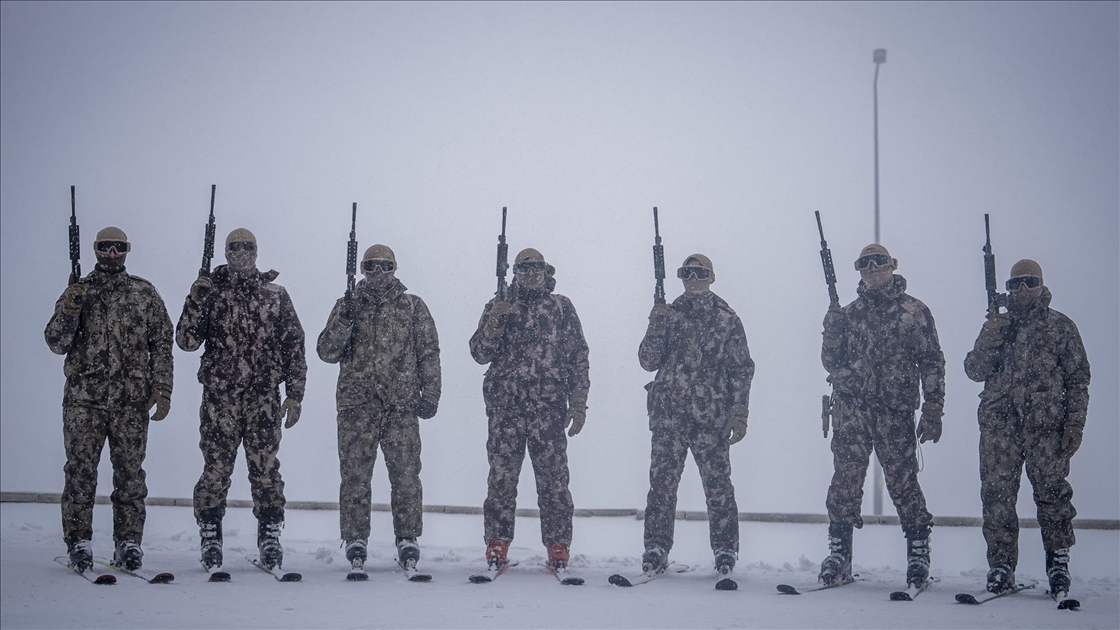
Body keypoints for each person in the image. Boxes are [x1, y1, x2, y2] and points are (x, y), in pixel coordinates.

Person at [176, 228, 307, 570]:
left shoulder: (275, 295)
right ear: (225, 251)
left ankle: (270, 535)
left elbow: (294, 346)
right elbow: (186, 342)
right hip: (220, 399)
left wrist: (295, 395)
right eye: (234, 248)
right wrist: (196, 299)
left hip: (263, 398)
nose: (241, 253)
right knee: (216, 470)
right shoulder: (211, 292)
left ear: (257, 251)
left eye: (247, 247)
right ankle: (210, 535)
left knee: (265, 471)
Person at [45, 227, 174, 572]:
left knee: (130, 476)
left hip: (131, 403)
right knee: (80, 474)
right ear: (96, 250)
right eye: (106, 247)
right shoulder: (78, 292)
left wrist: (163, 388)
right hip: (83, 402)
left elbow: (162, 342)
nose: (112, 253)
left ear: (127, 250)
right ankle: (79, 542)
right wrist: (70, 309)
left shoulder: (144, 294)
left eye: (119, 247)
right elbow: (56, 342)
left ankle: (128, 543)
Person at [818, 243, 945, 589]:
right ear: (859, 270)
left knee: (904, 483)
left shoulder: (914, 311)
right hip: (853, 410)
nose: (873, 268)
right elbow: (831, 362)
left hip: (895, 410)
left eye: (879, 262)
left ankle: (918, 554)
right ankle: (839, 554)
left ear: (892, 265)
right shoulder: (847, 314)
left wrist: (934, 408)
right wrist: (830, 332)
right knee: (844, 483)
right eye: (865, 263)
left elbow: (932, 361)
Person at [963, 259, 1090, 595]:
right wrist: (990, 338)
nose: (1022, 289)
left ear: (1041, 285)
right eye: (1015, 283)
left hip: (1046, 429)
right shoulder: (996, 326)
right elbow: (973, 370)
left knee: (1052, 496)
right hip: (999, 428)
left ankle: (1058, 563)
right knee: (997, 499)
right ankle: (1001, 567)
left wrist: (1075, 422)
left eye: (1029, 282)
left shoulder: (1061, 327)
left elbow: (1078, 378)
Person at [317, 244, 441, 573]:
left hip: (401, 407)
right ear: (361, 269)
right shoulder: (347, 306)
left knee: (406, 477)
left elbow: (429, 352)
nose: (378, 274)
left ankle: (407, 537)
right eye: (371, 267)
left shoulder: (413, 307)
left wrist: (431, 393)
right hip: (357, 407)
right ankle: (355, 538)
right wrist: (345, 319)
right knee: (355, 477)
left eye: (385, 266)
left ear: (395, 268)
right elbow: (326, 352)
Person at [469, 248, 590, 571]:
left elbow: (578, 356)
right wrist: (496, 320)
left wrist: (578, 402)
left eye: (536, 268)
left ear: (545, 271)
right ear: (515, 272)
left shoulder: (560, 307)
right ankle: (497, 544)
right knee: (501, 481)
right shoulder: (499, 305)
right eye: (524, 268)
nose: (530, 273)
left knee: (554, 482)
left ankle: (557, 546)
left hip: (548, 410)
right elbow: (479, 353)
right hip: (505, 410)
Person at [639, 254, 755, 576]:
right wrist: (655, 327)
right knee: (661, 484)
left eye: (699, 273)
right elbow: (648, 361)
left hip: (710, 418)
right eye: (687, 273)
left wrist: (739, 411)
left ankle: (725, 549)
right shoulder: (669, 314)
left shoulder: (726, 319)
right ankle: (656, 546)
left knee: (718, 486)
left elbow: (741, 369)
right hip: (669, 416)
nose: (693, 278)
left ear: (711, 277)